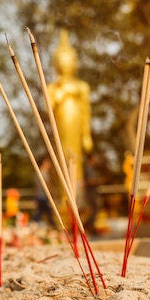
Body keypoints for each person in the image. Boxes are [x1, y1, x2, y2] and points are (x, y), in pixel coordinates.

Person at [47, 30, 93, 202]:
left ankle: (78, 199)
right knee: (62, 159)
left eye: (68, 59)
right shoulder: (53, 87)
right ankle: (64, 197)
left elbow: (86, 111)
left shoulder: (81, 86)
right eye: (61, 60)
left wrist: (86, 134)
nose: (65, 64)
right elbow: (49, 108)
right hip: (61, 128)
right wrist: (60, 95)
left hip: (75, 129)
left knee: (76, 161)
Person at [83, 152, 106, 234]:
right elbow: (88, 181)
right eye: (94, 159)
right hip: (91, 193)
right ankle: (88, 225)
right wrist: (99, 180)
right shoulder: (88, 169)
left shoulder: (92, 169)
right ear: (90, 160)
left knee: (95, 209)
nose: (95, 160)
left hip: (94, 192)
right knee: (94, 209)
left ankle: (88, 225)